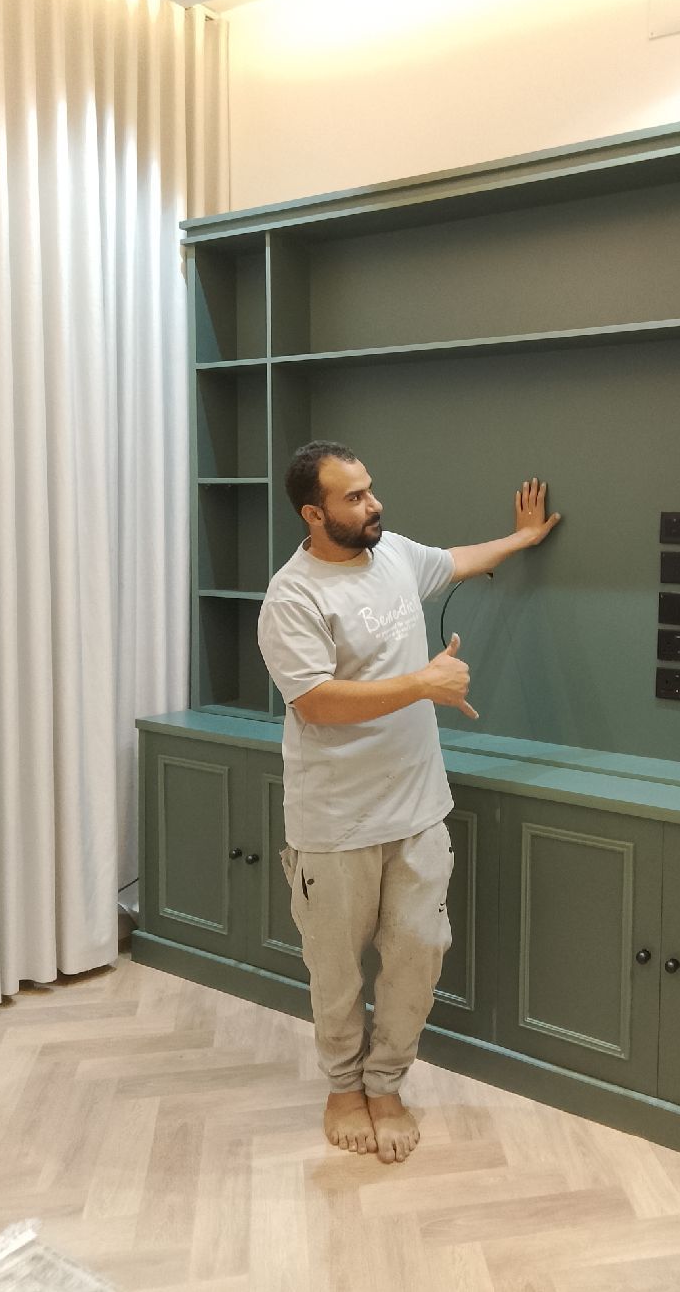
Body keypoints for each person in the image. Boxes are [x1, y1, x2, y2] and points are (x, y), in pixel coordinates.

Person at [257, 440, 561, 1164]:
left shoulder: (391, 553)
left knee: (419, 955)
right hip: (335, 823)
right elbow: (317, 702)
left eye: (370, 489)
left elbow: (455, 560)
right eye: (354, 497)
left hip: (420, 809)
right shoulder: (293, 597)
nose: (374, 504)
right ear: (313, 513)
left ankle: (386, 1083)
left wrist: (521, 538)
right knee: (336, 973)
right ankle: (343, 1088)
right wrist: (423, 684)